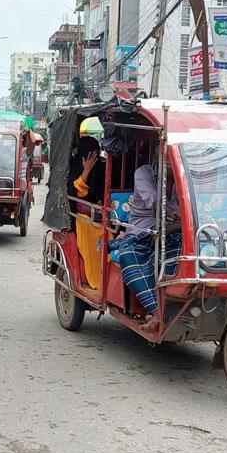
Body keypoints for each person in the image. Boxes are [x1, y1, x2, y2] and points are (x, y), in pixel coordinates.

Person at [109, 164, 182, 334]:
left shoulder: (183, 175)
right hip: (141, 231)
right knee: (127, 256)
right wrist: (177, 215)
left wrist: (167, 229)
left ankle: (168, 309)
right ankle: (158, 312)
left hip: (170, 232)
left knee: (180, 257)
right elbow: (155, 202)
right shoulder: (144, 173)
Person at [70, 136, 105, 289]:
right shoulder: (75, 167)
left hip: (99, 215)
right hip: (80, 215)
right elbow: (74, 192)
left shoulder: (101, 168)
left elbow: (102, 191)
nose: (93, 159)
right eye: (90, 154)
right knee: (87, 227)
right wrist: (86, 170)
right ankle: (95, 279)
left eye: (95, 155)